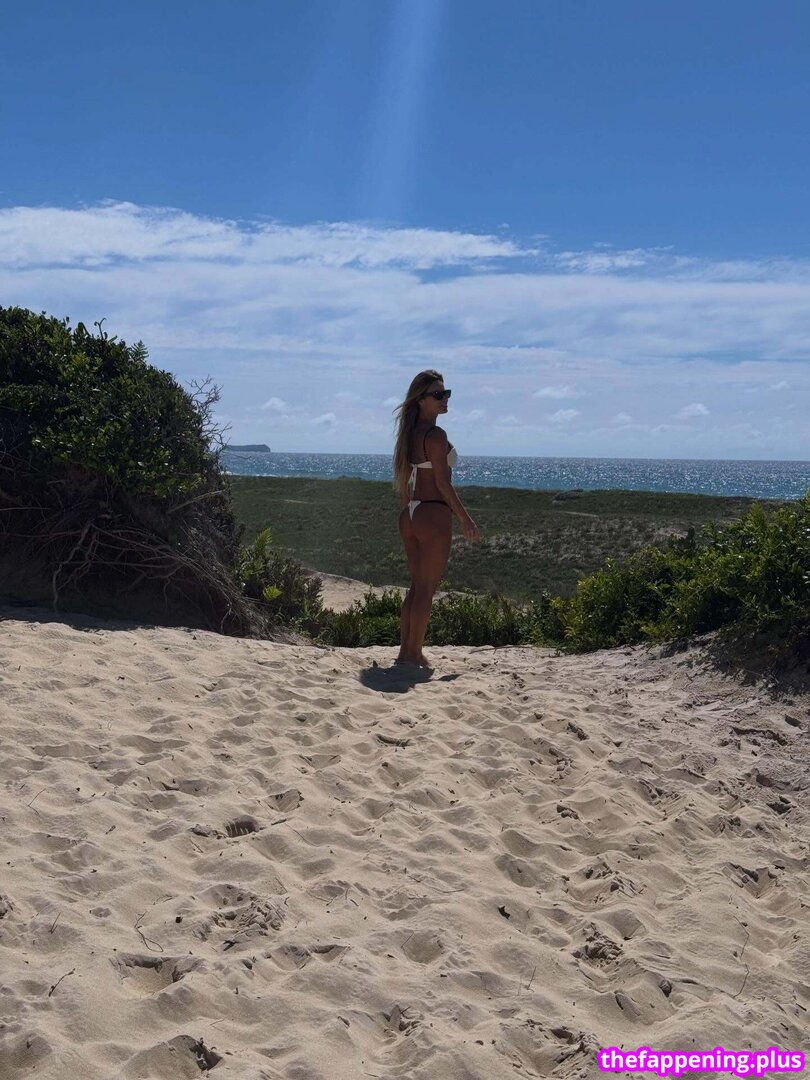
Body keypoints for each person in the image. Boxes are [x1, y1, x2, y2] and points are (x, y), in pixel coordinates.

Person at [391, 370, 479, 667]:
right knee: (426, 589)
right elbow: (443, 483)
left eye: (446, 393)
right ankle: (414, 653)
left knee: (417, 587)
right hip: (433, 512)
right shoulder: (435, 436)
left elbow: (406, 481)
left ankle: (406, 652)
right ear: (421, 400)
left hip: (412, 513)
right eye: (438, 395)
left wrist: (407, 511)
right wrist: (465, 519)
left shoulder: (410, 434)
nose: (445, 399)